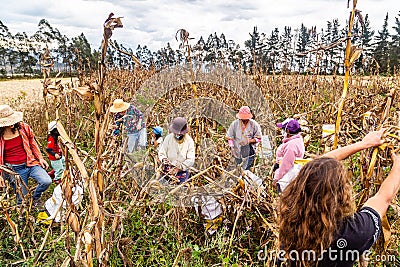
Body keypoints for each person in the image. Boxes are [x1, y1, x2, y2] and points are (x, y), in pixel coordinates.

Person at [279, 129, 399, 266]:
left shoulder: (288, 212)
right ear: (340, 196)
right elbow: (383, 198)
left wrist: (363, 144)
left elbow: (316, 167)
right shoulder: (351, 233)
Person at [0, 105, 51, 206]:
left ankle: (35, 198)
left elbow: (32, 143)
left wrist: (40, 158)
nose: (12, 123)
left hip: (30, 163)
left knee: (46, 181)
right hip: (13, 170)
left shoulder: (23, 128)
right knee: (22, 199)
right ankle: (22, 217)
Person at [158, 117, 195, 184]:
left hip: (182, 171)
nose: (177, 135)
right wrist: (164, 159)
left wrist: (179, 168)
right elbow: (162, 152)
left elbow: (190, 160)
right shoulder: (168, 138)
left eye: (179, 134)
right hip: (168, 169)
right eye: (175, 133)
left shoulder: (189, 141)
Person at [273, 118, 306, 192]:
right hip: (291, 175)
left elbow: (286, 164)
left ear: (287, 131)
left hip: (287, 178)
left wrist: (277, 178)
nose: (281, 130)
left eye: (283, 129)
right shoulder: (297, 139)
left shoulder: (291, 145)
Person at [226, 106, 262, 170]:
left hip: (249, 152)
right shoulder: (234, 124)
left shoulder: (254, 124)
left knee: (245, 169)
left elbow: (259, 138)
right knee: (239, 168)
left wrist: (248, 141)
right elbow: (229, 137)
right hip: (237, 151)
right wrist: (232, 147)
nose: (244, 121)